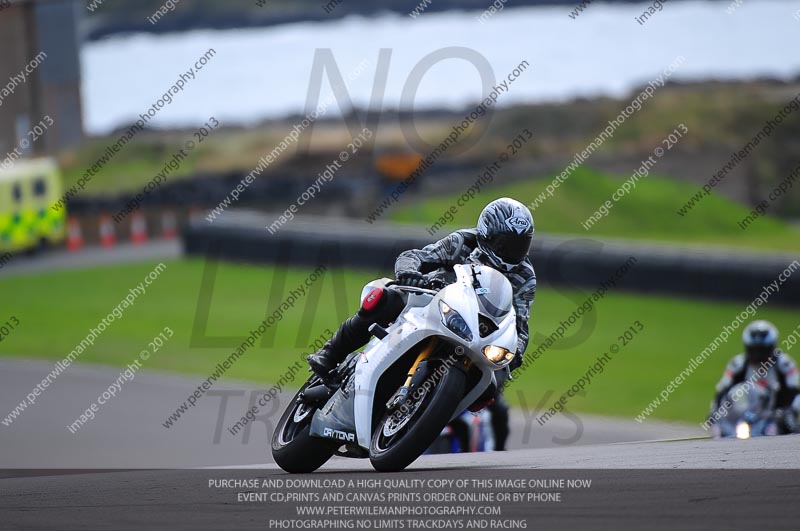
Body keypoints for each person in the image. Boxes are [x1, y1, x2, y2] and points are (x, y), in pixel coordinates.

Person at [307, 197, 537, 450]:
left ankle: (432, 412)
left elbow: (520, 322)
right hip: (430, 301)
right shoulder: (463, 242)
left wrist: (516, 352)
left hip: (476, 330)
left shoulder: (525, 276)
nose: (510, 252)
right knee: (385, 297)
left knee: (492, 386)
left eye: (519, 245)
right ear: (485, 234)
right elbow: (415, 256)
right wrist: (409, 272)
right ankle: (330, 354)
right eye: (504, 243)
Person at [708, 320, 800, 434]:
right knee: (718, 431)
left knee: (791, 428)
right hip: (744, 415)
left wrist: (788, 412)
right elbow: (722, 391)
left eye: (762, 350)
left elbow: (795, 394)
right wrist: (714, 413)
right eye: (754, 351)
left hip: (774, 416)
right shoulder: (737, 364)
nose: (758, 356)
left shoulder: (785, 365)